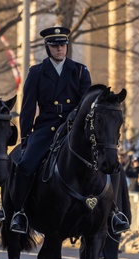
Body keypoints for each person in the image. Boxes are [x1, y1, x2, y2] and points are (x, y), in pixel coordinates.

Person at [9, 27, 93, 234]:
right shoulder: (37, 72)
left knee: (105, 164)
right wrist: (26, 135)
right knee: (25, 165)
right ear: (48, 48)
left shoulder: (80, 71)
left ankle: (113, 213)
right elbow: (28, 107)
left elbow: (86, 103)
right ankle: (20, 212)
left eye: (63, 45)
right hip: (47, 127)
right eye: (55, 46)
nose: (60, 49)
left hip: (73, 128)